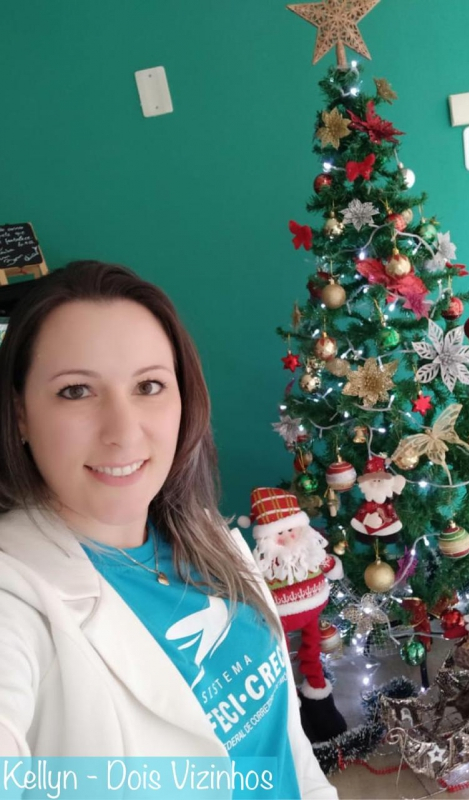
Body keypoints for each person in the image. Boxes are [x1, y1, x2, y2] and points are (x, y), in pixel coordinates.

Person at [0, 260, 338, 800]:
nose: (123, 431)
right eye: (76, 391)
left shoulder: (206, 533)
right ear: (20, 414)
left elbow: (285, 741)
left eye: (149, 385)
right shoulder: (15, 598)